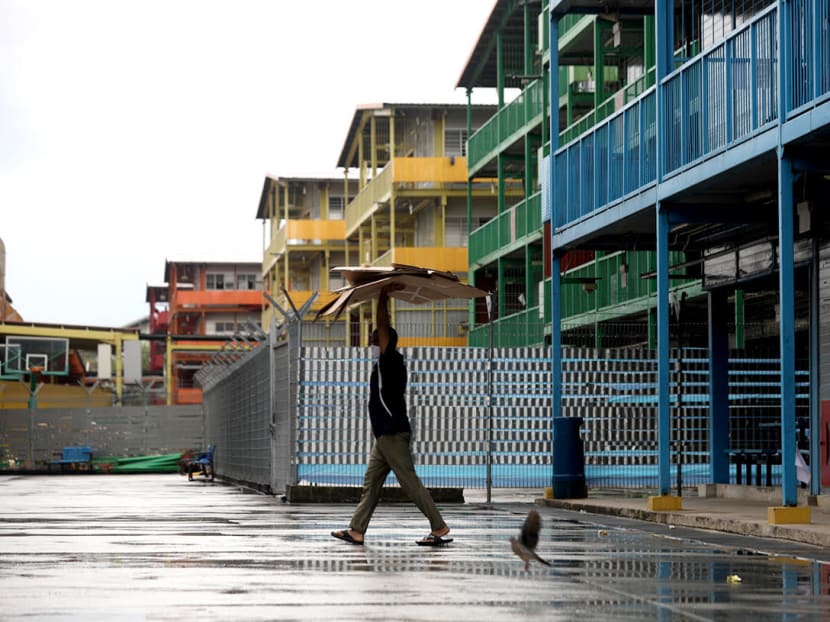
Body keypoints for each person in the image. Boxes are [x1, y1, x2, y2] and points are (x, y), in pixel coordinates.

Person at [331, 284, 452, 546]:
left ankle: (439, 526)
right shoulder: (384, 364)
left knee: (409, 481)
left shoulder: (390, 361)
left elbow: (383, 323)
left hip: (393, 433)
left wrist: (382, 295)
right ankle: (356, 530)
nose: (371, 339)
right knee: (371, 483)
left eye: (375, 336)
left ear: (385, 340)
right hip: (384, 435)